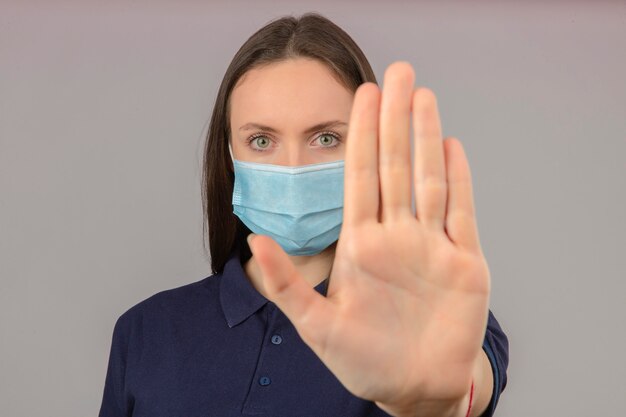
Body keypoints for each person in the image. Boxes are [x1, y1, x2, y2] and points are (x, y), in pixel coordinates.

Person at [99, 12, 508, 417]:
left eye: (326, 138)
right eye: (261, 140)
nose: (292, 167)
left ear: (372, 147)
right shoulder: (145, 331)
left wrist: (438, 403)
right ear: (228, 156)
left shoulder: (429, 321)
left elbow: (464, 380)